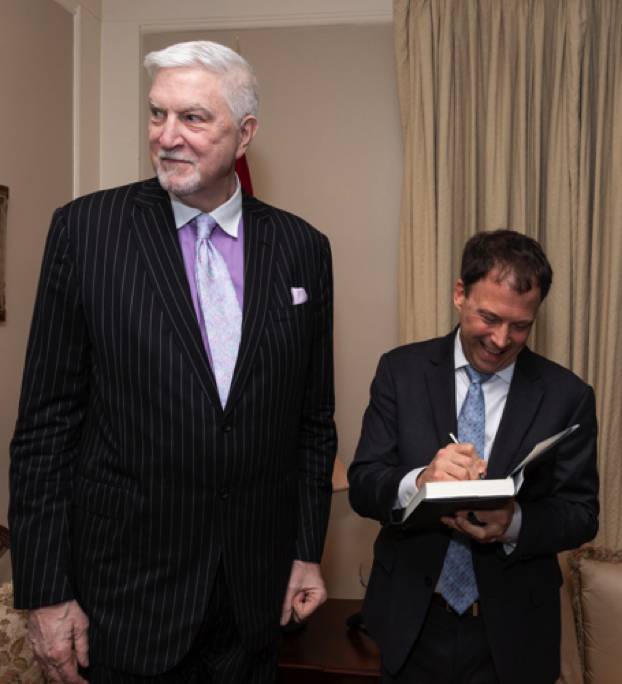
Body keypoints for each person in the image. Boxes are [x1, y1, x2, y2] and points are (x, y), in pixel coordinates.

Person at [9, 40, 337, 684]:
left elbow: (312, 422)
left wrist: (305, 552)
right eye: (157, 115)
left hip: (253, 601)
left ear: (244, 134)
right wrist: (46, 593)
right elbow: (45, 428)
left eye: (192, 118)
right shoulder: (87, 231)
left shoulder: (303, 248)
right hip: (126, 600)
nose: (167, 136)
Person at [348, 230, 598, 684]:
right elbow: (364, 484)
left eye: (520, 325)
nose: (501, 339)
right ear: (460, 294)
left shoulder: (568, 396)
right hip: (410, 624)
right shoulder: (399, 371)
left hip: (514, 635)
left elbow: (581, 514)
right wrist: (419, 482)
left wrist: (513, 522)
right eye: (489, 317)